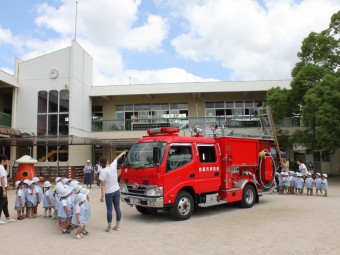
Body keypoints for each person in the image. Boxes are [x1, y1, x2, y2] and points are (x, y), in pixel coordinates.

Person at [99, 150, 127, 232]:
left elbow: (102, 184)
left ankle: (109, 227)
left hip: (109, 192)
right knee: (117, 208)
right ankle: (117, 226)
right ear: (107, 161)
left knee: (109, 209)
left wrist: (102, 195)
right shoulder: (113, 165)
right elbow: (117, 158)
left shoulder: (102, 172)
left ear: (101, 164)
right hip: (116, 190)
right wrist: (123, 153)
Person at [0, 154, 16, 224]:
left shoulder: (2, 167)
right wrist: (4, 191)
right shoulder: (1, 167)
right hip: (1, 187)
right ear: (3, 160)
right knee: (1, 203)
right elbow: (2, 179)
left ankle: (8, 217)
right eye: (6, 160)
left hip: (3, 187)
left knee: (5, 203)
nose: (7, 161)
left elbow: (7, 174)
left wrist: (8, 165)